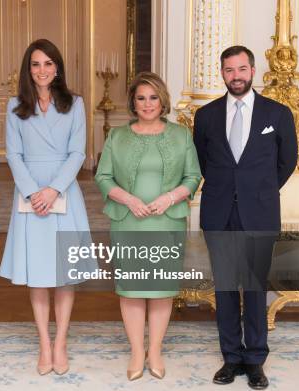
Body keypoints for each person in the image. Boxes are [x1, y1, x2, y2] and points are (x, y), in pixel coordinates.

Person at [194, 46, 297, 390]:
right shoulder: (205, 115)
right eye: (228, 70)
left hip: (259, 213)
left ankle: (255, 360)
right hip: (218, 211)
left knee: (254, 288)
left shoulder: (278, 114)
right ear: (221, 73)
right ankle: (231, 358)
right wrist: (229, 189)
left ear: (252, 70)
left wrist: (258, 192)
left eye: (241, 69)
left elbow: (286, 162)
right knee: (224, 287)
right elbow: (202, 161)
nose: (235, 76)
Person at [95, 72, 201, 381]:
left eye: (153, 97)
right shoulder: (117, 136)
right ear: (133, 102)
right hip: (128, 221)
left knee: (160, 291)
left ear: (163, 100)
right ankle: (136, 351)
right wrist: (129, 199)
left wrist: (169, 198)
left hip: (167, 221)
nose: (147, 103)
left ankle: (154, 350)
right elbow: (103, 177)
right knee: (131, 290)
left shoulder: (181, 135)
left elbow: (193, 176)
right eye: (141, 98)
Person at [0, 38, 92, 376]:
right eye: (36, 64)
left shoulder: (75, 104)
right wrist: (33, 193)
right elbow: (13, 154)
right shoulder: (13, 106)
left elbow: (78, 153)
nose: (42, 70)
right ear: (28, 69)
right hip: (29, 195)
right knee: (38, 275)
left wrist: (53, 190)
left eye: (48, 64)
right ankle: (44, 343)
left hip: (63, 191)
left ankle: (62, 341)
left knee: (65, 275)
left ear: (58, 68)